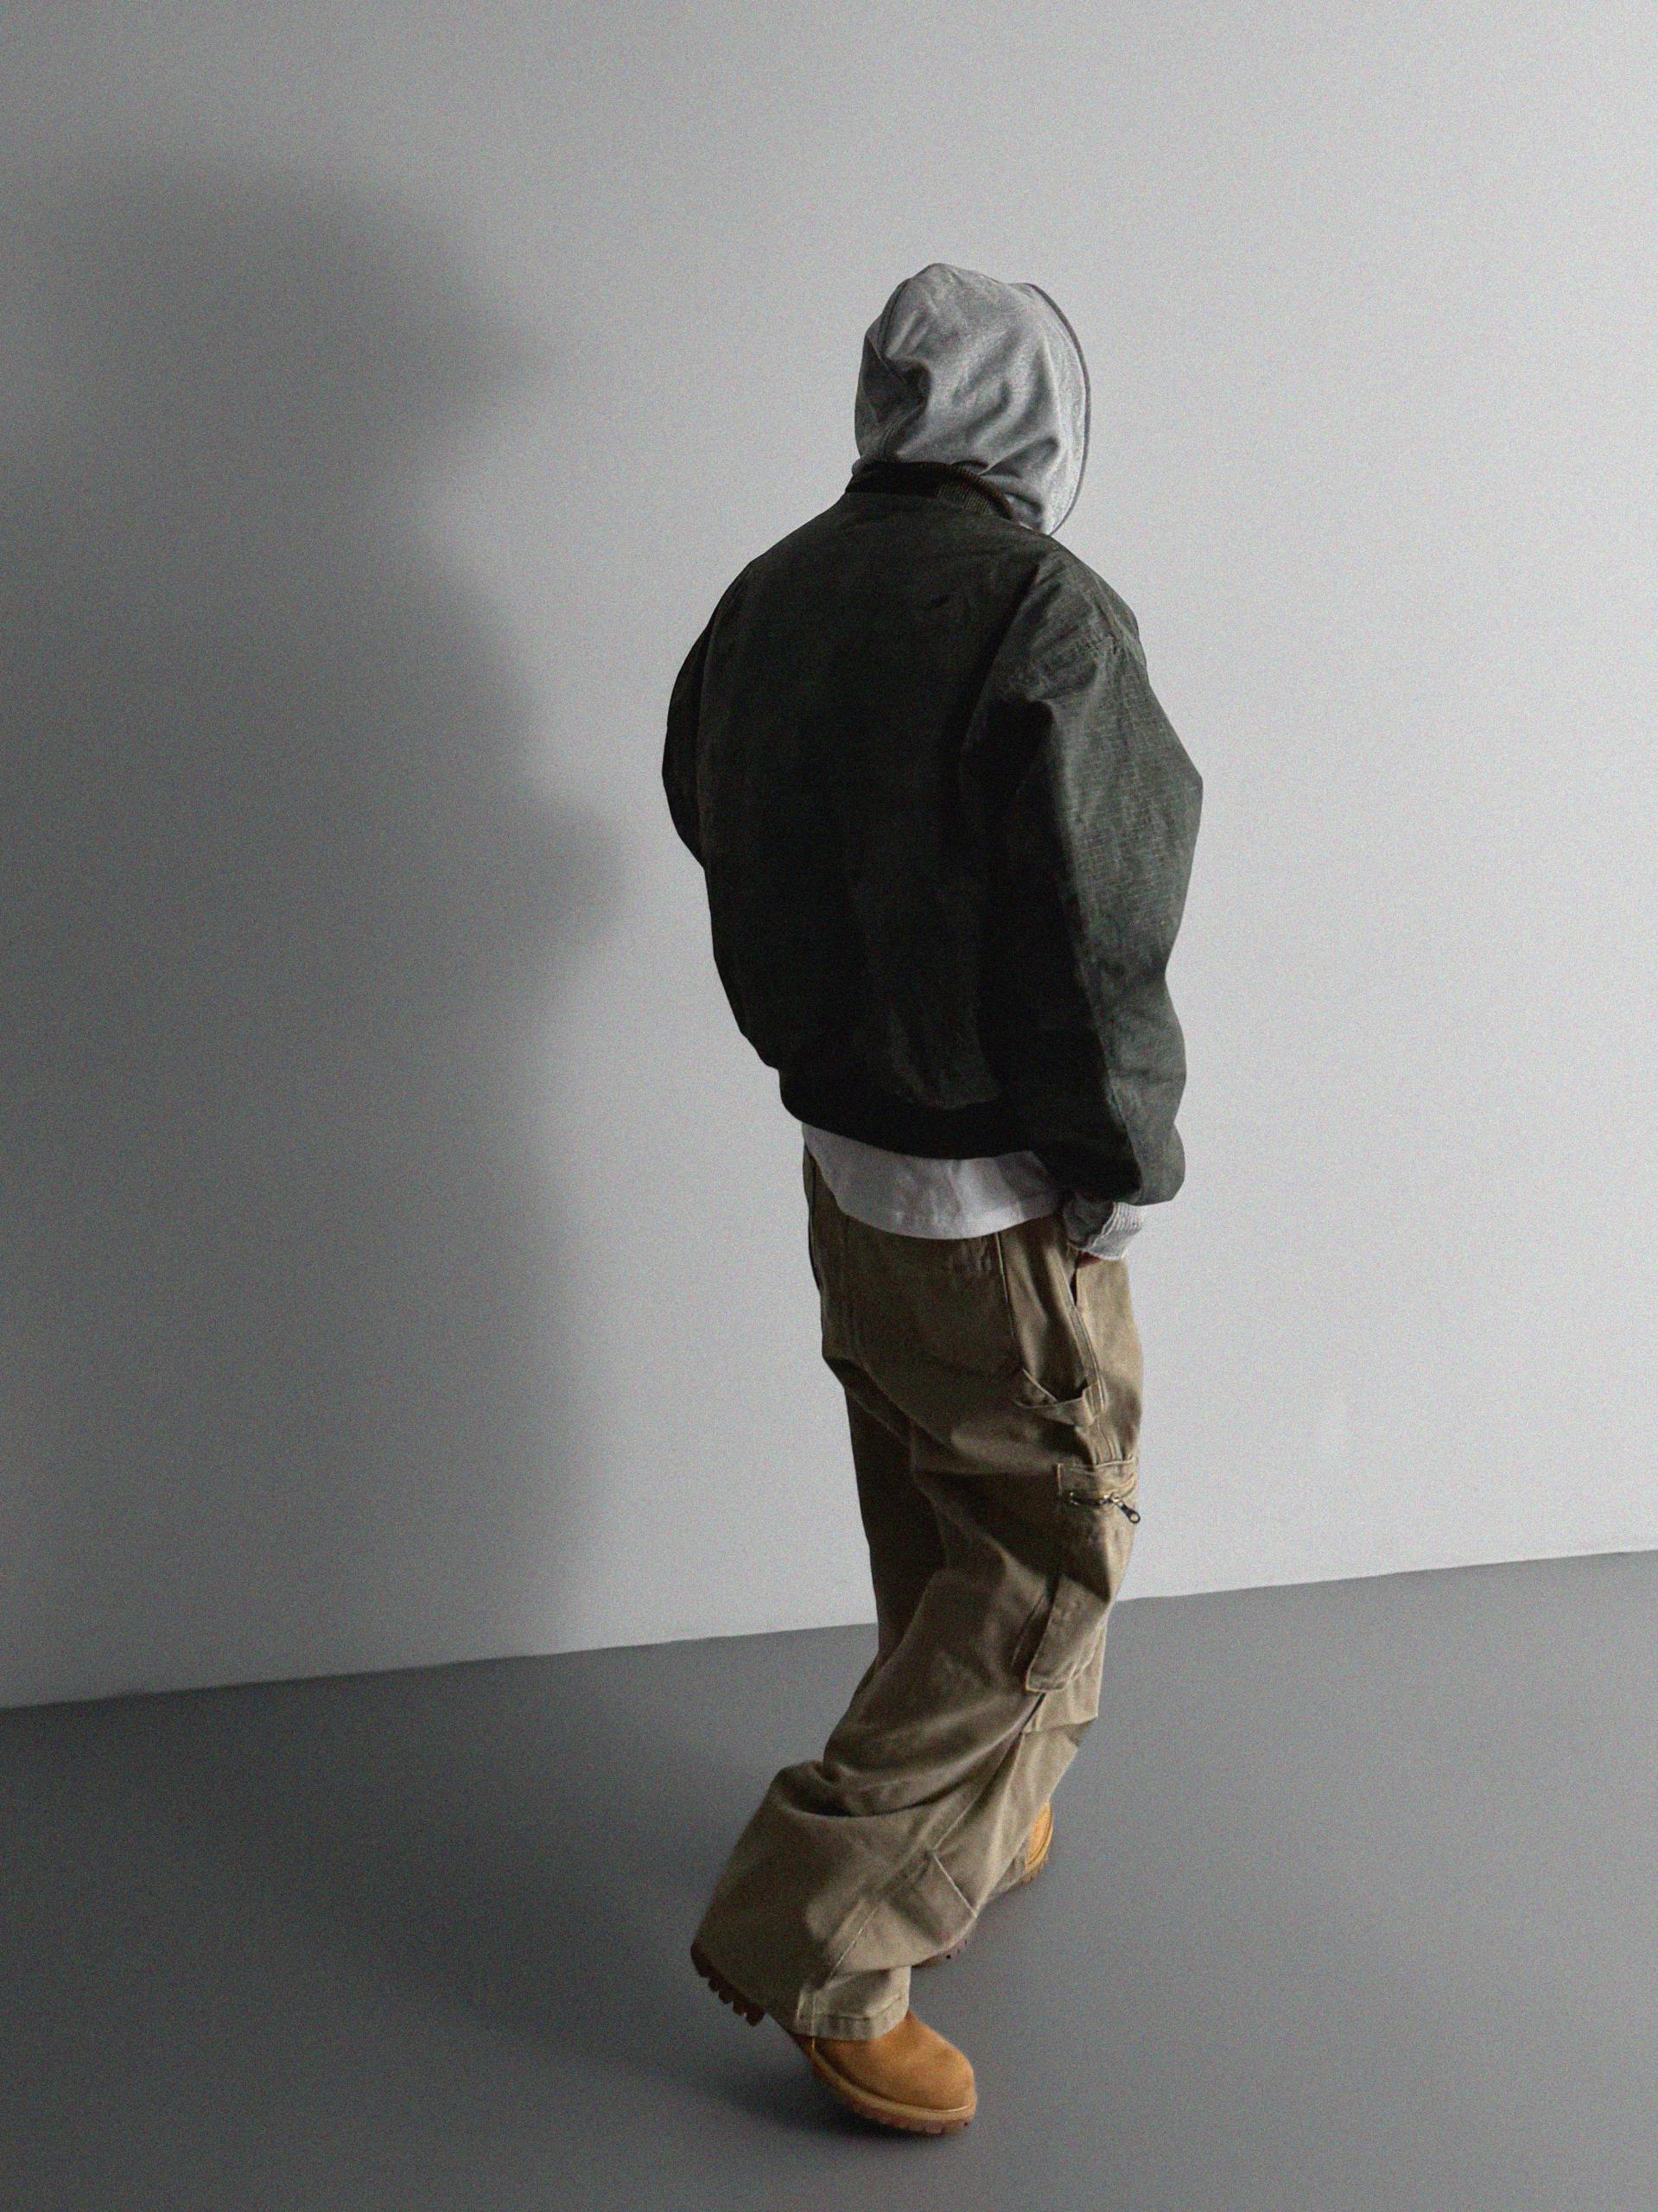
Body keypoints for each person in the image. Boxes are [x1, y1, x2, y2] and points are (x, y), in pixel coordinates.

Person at [663, 261, 1203, 2135]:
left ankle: (975, 1809)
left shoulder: (771, 590)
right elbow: (1101, 920)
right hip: (991, 1186)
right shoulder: (1044, 610)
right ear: (1036, 416)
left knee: (930, 1501)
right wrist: (1120, 1154)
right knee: (1047, 1560)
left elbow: (704, 800)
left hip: (845, 1162)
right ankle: (819, 1928)